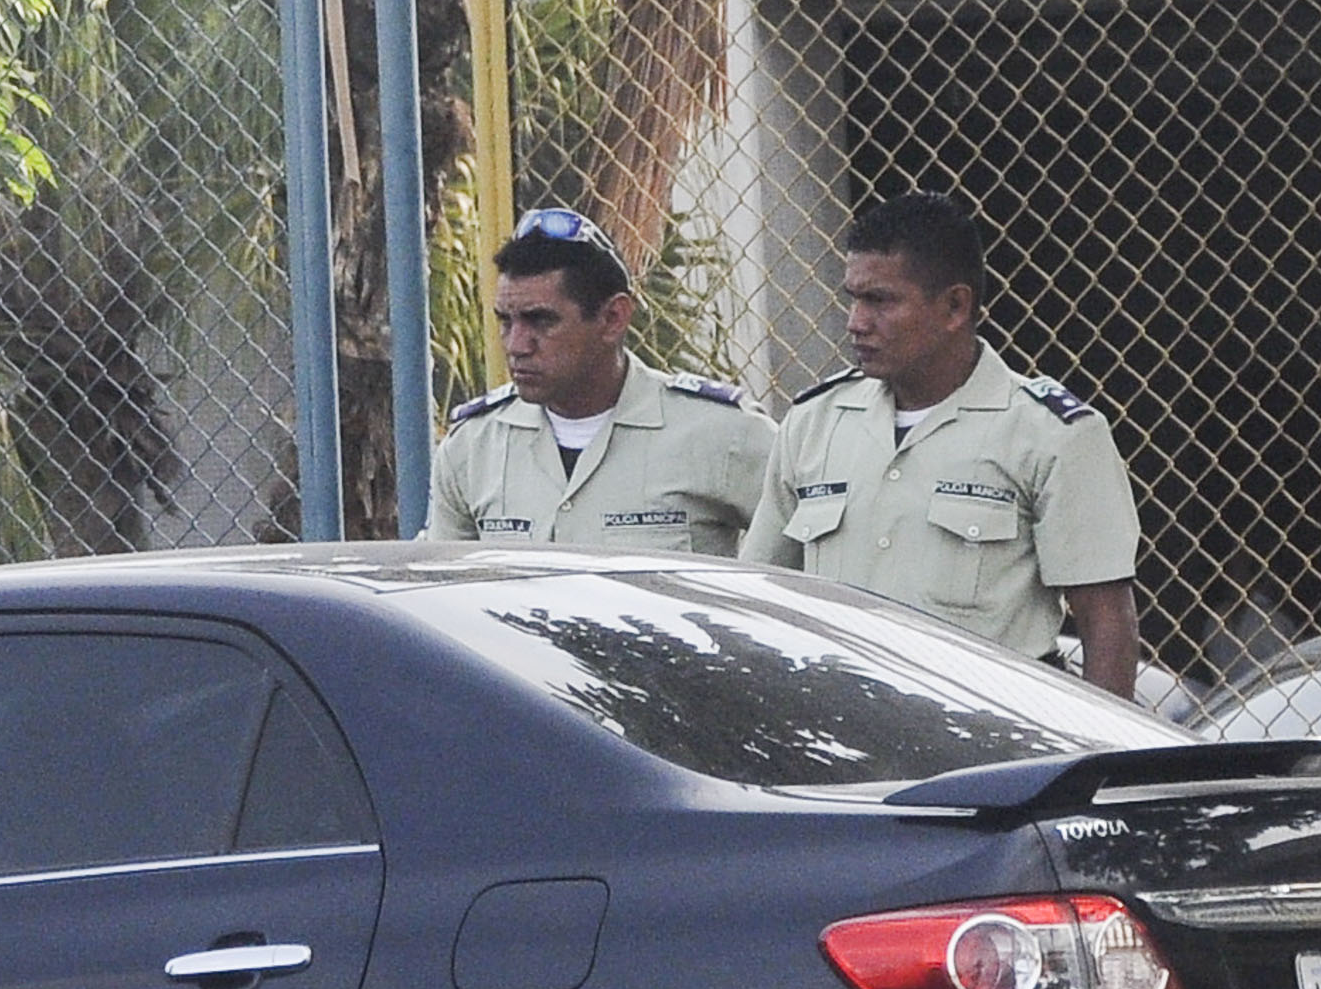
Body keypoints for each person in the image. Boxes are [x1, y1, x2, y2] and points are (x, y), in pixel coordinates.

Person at [743, 192, 1144, 697]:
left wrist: (1092, 759)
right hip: (840, 729)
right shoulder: (813, 423)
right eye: (853, 298)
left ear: (955, 305)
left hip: (990, 739)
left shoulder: (1051, 435)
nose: (856, 322)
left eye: (881, 301)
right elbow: (760, 593)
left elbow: (1106, 622)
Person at [426, 206, 775, 557]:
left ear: (613, 318)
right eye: (506, 322)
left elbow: (807, 560)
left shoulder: (720, 435)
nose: (517, 345)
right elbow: (445, 591)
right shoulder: (473, 448)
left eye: (541, 321)